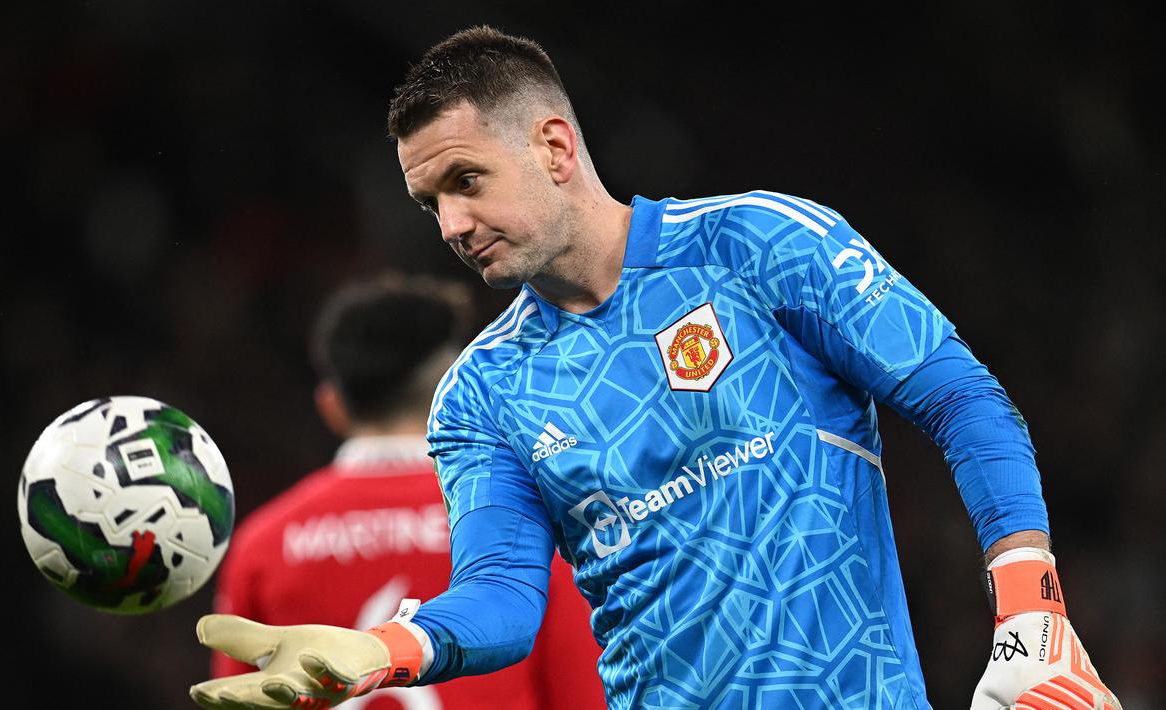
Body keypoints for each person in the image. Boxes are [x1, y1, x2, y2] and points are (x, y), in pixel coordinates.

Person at [191, 26, 1123, 710]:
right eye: (428, 200)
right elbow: (505, 600)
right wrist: (384, 649)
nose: (449, 227)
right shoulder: (480, 394)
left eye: (465, 181)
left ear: (554, 146)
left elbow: (963, 400)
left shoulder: (759, 244)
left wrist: (1028, 612)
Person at [205, 273, 606, 709]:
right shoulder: (531, 524)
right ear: (455, 394)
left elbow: (233, 700)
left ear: (331, 406)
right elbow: (582, 693)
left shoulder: (262, 545)